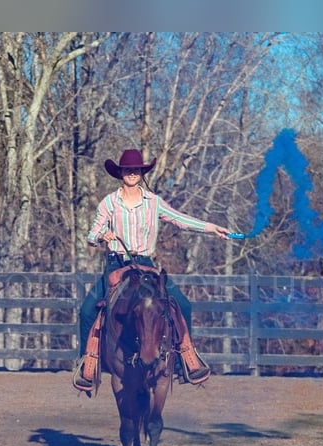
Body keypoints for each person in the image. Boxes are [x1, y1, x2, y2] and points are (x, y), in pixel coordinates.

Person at [73, 148, 231, 392]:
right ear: (121, 173)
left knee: (183, 305)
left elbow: (181, 219)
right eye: (128, 170)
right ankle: (88, 364)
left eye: (136, 169)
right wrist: (102, 235)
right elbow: (91, 234)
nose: (132, 173)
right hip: (117, 265)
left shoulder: (154, 202)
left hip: (146, 265)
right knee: (86, 311)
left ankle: (185, 359)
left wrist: (211, 228)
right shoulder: (109, 203)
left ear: (142, 172)